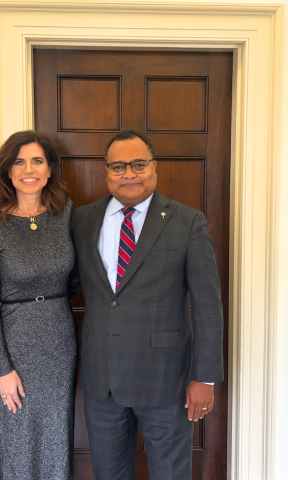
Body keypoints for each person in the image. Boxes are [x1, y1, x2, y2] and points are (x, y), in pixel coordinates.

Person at [70, 130, 224, 480]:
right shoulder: (82, 220)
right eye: (119, 166)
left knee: (171, 474)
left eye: (138, 164)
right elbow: (71, 284)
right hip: (101, 380)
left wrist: (205, 378)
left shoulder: (188, 222)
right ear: (106, 172)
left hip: (166, 381)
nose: (129, 173)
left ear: (154, 168)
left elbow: (208, 307)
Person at [0, 130, 78, 480]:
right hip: (14, 347)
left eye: (37, 161)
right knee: (17, 439)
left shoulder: (66, 214)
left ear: (49, 170)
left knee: (56, 437)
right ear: (7, 171)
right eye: (18, 161)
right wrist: (3, 367)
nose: (28, 169)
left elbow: (79, 279)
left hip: (60, 342)